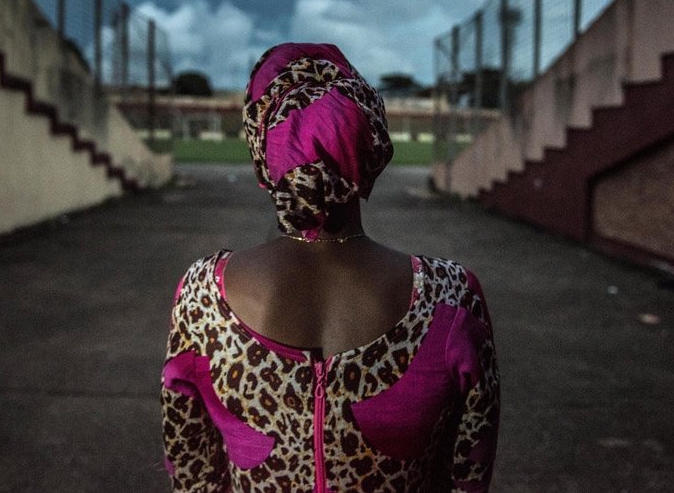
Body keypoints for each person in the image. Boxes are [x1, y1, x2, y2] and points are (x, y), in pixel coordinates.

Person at [161, 43, 499, 492]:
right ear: (374, 150)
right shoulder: (452, 297)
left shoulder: (201, 296)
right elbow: (468, 477)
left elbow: (193, 473)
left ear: (264, 159)